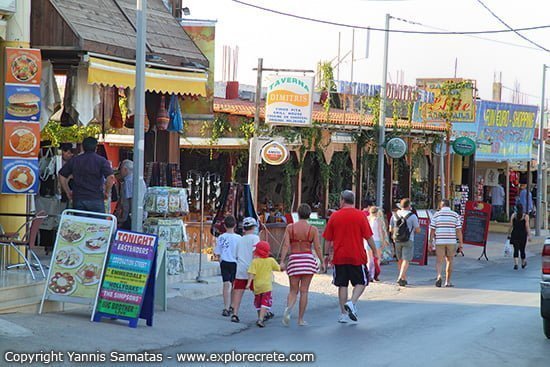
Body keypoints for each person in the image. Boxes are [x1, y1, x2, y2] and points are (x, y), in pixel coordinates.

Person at [323, 190, 376, 323]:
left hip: (339, 256)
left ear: (342, 200)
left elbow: (328, 239)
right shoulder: (360, 216)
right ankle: (352, 302)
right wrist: (375, 251)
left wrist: (326, 255)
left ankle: (343, 314)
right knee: (362, 281)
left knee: (342, 284)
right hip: (357, 255)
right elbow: (368, 237)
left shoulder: (335, 216)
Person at [279, 203, 325, 327]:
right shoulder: (313, 229)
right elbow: (317, 247)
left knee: (293, 290)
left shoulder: (290, 228)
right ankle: (300, 319)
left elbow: (286, 245)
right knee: (304, 291)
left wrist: (282, 261)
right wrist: (322, 261)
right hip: (308, 260)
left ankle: (288, 309)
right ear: (309, 215)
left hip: (294, 260)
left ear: (297, 214)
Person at [59, 137, 115, 213]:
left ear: (82, 147)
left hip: (79, 198)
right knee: (98, 224)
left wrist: (67, 191)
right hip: (96, 198)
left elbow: (61, 175)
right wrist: (107, 192)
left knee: (80, 224)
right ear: (96, 147)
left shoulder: (75, 160)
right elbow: (111, 177)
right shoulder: (102, 161)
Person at [230, 217, 260, 323]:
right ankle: (261, 314)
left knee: (238, 292)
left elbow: (236, 254)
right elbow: (255, 254)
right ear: (254, 227)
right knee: (257, 292)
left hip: (241, 268)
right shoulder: (255, 238)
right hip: (251, 268)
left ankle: (235, 313)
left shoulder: (240, 239)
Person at [429, 199, 463, 287]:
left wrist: (430, 241)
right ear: (449, 206)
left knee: (439, 261)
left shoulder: (436, 215)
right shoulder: (455, 215)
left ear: (441, 205)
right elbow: (458, 230)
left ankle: (439, 275)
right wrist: (461, 243)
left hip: (440, 240)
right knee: (449, 260)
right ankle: (447, 281)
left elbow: (432, 230)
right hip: (451, 241)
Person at [247, 241, 281, 327]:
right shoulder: (271, 260)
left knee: (258, 302)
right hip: (267, 286)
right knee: (264, 302)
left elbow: (251, 274)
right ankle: (261, 319)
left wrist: (248, 284)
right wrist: (282, 266)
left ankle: (259, 316)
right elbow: (278, 268)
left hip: (257, 286)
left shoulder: (255, 262)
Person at [214, 215, 241, 316]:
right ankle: (232, 306)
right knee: (234, 284)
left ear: (224, 225)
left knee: (226, 284)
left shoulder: (221, 237)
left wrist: (220, 259)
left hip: (224, 261)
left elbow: (218, 252)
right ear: (235, 225)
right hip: (235, 262)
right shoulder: (239, 238)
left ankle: (226, 307)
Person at [389, 198, 420, 287]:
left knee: (400, 259)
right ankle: (400, 277)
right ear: (409, 206)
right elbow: (417, 230)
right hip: (408, 239)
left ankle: (403, 278)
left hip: (397, 240)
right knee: (406, 260)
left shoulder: (394, 215)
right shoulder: (412, 216)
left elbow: (390, 229)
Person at [367, 206, 389, 280]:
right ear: (377, 212)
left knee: (369, 259)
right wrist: (383, 242)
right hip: (376, 241)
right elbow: (380, 232)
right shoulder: (378, 220)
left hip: (368, 241)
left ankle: (369, 274)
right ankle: (376, 274)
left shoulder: (367, 219)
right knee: (377, 258)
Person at [509, 203, 530, 270]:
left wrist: (509, 234)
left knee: (516, 249)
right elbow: (527, 226)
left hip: (515, 234)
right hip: (523, 235)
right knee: (522, 249)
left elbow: (511, 226)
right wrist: (529, 235)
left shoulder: (513, 215)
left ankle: (516, 264)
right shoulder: (525, 216)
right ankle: (523, 263)